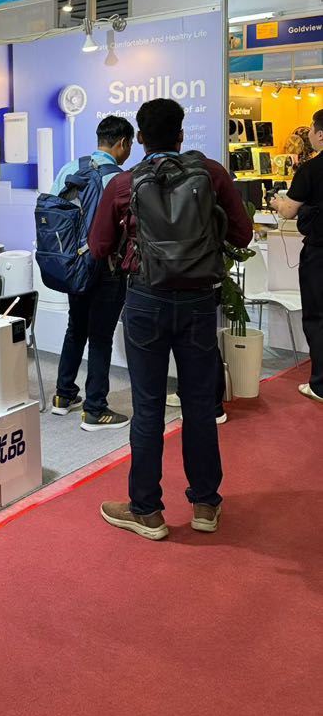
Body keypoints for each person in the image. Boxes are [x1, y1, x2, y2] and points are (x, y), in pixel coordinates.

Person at [89, 98, 252, 540]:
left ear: (140, 138)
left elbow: (99, 245)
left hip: (145, 300)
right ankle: (205, 504)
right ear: (181, 134)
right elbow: (242, 234)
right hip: (199, 301)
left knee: (148, 408)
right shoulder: (211, 174)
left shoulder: (123, 183)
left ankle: (146, 510)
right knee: (199, 405)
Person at [50, 116, 135, 430]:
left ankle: (63, 395)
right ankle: (95, 409)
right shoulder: (121, 180)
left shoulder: (70, 169)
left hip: (74, 265)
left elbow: (53, 212)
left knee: (76, 328)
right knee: (100, 337)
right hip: (108, 268)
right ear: (122, 143)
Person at [271, 108, 323, 405]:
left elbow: (289, 210)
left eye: (312, 130)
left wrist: (277, 203)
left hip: (319, 252)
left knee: (317, 316)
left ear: (320, 134)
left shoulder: (311, 169)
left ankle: (321, 384)